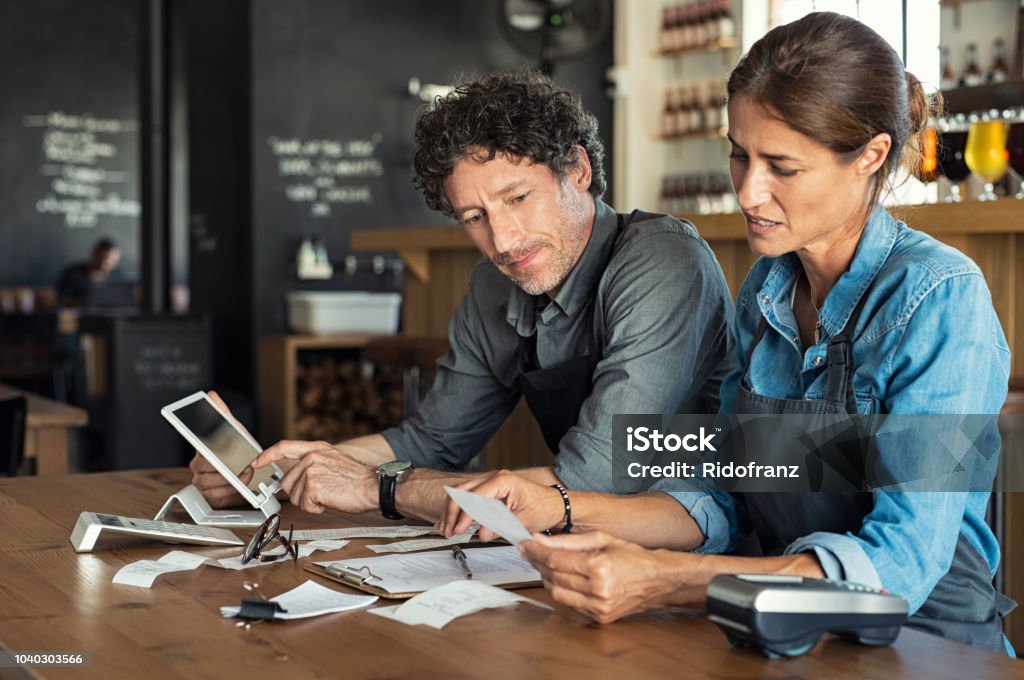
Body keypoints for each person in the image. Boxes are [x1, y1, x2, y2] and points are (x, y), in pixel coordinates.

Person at [441, 13, 1014, 654]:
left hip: (926, 649)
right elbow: (724, 493)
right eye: (740, 155)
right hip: (784, 632)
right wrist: (556, 505)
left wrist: (671, 580)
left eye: (782, 166)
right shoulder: (766, 292)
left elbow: (902, 563)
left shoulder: (940, 298)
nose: (747, 190)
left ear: (871, 157)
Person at [190, 71, 735, 525]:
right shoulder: (494, 284)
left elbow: (595, 478)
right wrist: (279, 473)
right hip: (583, 547)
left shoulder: (662, 261)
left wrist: (379, 489)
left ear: (578, 170)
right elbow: (433, 439)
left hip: (699, 541)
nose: (503, 241)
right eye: (475, 218)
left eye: (518, 198)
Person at [55, 237, 121, 307]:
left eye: (113, 261)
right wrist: (86, 301)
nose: (108, 264)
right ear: (95, 254)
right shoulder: (73, 274)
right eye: (105, 259)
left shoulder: (118, 276)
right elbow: (61, 301)